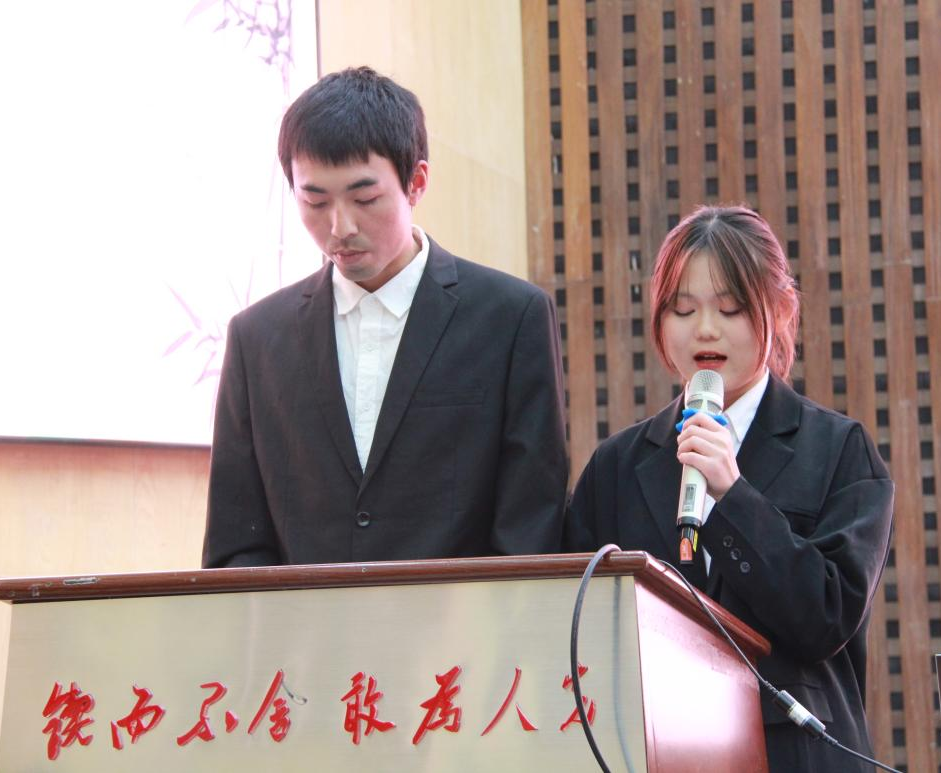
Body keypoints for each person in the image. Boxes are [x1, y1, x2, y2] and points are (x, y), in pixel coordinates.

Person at [565, 205, 894, 772]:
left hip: (797, 754)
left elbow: (826, 616)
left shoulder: (838, 449)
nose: (705, 329)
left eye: (731, 308)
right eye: (683, 309)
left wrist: (733, 495)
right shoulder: (616, 466)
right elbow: (580, 627)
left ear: (779, 310)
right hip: (658, 753)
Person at [203, 66, 568, 567]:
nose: (340, 227)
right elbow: (235, 543)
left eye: (365, 198)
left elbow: (530, 530)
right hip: (302, 621)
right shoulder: (257, 338)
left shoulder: (511, 318)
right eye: (314, 201)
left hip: (461, 620)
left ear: (416, 182)